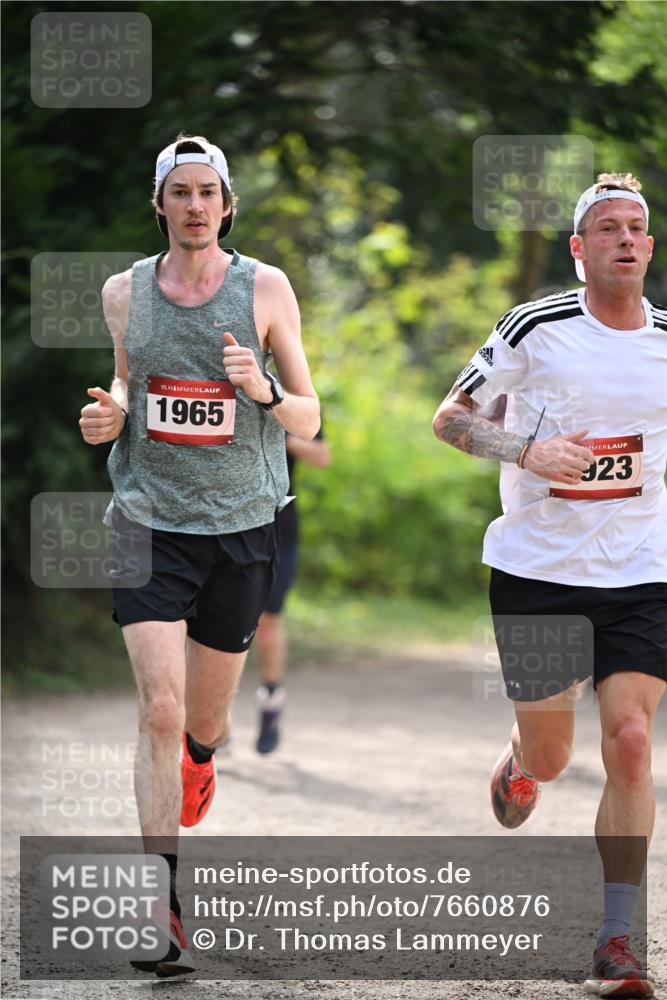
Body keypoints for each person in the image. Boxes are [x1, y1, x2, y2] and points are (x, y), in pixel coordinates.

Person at [79, 133, 320, 977]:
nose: (192, 205)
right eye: (178, 192)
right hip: (147, 517)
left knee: (202, 722)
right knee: (156, 708)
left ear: (226, 204)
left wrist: (261, 390)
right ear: (160, 204)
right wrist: (109, 413)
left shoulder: (266, 288)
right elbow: (121, 380)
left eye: (205, 192)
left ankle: (203, 757)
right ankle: (162, 908)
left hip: (243, 522)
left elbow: (309, 416)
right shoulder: (123, 293)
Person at [432, 173, 665, 999]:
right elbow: (450, 419)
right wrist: (524, 453)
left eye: (637, 226)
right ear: (579, 248)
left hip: (643, 571)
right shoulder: (536, 327)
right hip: (537, 571)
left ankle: (616, 939)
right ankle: (520, 758)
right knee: (553, 755)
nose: (626, 240)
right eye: (607, 228)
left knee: (632, 743)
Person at [254, 429, 330, 754]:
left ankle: (271, 701)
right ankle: (212, 721)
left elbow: (322, 456)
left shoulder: (292, 391)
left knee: (269, 621)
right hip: (222, 521)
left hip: (279, 527)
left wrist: (277, 431)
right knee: (220, 620)